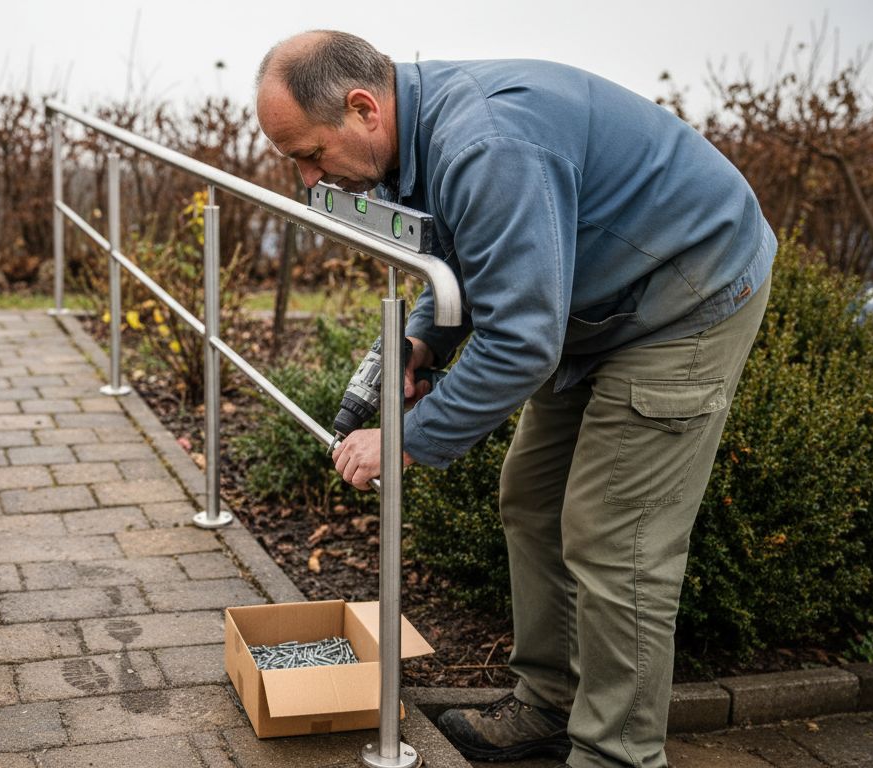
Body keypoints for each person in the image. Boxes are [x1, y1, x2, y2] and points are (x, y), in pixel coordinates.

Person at [254, 30, 775, 768]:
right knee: (530, 496)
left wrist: (403, 438)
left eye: (309, 154)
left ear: (364, 107)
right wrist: (422, 342)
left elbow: (522, 340)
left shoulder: (487, 142)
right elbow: (465, 259)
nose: (310, 180)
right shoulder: (418, 138)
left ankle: (615, 755)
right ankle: (549, 705)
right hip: (592, 307)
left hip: (686, 297)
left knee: (613, 535)